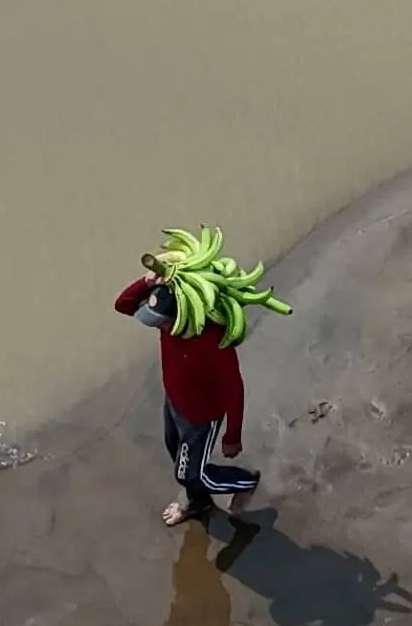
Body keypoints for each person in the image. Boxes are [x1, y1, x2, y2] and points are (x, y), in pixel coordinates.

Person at [115, 225, 288, 528]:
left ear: (182, 313)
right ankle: (197, 503)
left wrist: (232, 436)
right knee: (175, 452)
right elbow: (124, 305)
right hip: (174, 401)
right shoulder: (166, 318)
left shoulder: (212, 341)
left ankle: (244, 481)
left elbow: (234, 389)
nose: (160, 327)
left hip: (201, 418)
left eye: (163, 322)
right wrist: (147, 282)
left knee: (189, 473)